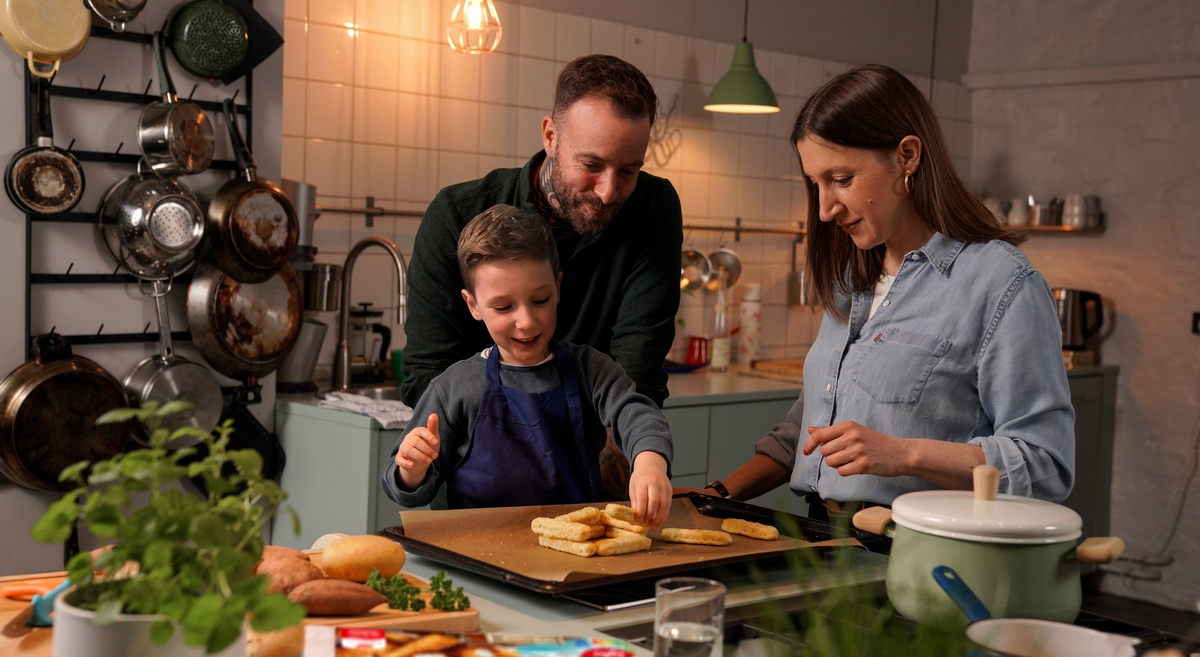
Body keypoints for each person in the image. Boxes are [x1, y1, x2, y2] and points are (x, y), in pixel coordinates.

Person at [695, 64, 1075, 519]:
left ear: (907, 156)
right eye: (815, 184)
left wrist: (904, 454)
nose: (824, 210)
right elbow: (809, 430)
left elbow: (1045, 465)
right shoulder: (849, 278)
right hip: (822, 539)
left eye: (840, 179)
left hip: (915, 550)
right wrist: (715, 495)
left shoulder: (1000, 284)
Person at [399, 54, 682, 412]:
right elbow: (429, 374)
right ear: (550, 136)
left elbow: (639, 365)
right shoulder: (455, 214)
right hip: (479, 449)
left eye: (629, 170)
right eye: (592, 165)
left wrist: (626, 450)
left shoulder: (652, 208)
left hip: (603, 445)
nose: (609, 191)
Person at [381, 205, 673, 527]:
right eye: (504, 306)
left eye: (541, 300)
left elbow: (638, 413)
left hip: (574, 544)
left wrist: (649, 462)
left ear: (558, 288)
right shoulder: (456, 387)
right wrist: (412, 468)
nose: (526, 321)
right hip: (478, 552)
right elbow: (406, 489)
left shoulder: (591, 370)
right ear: (473, 304)